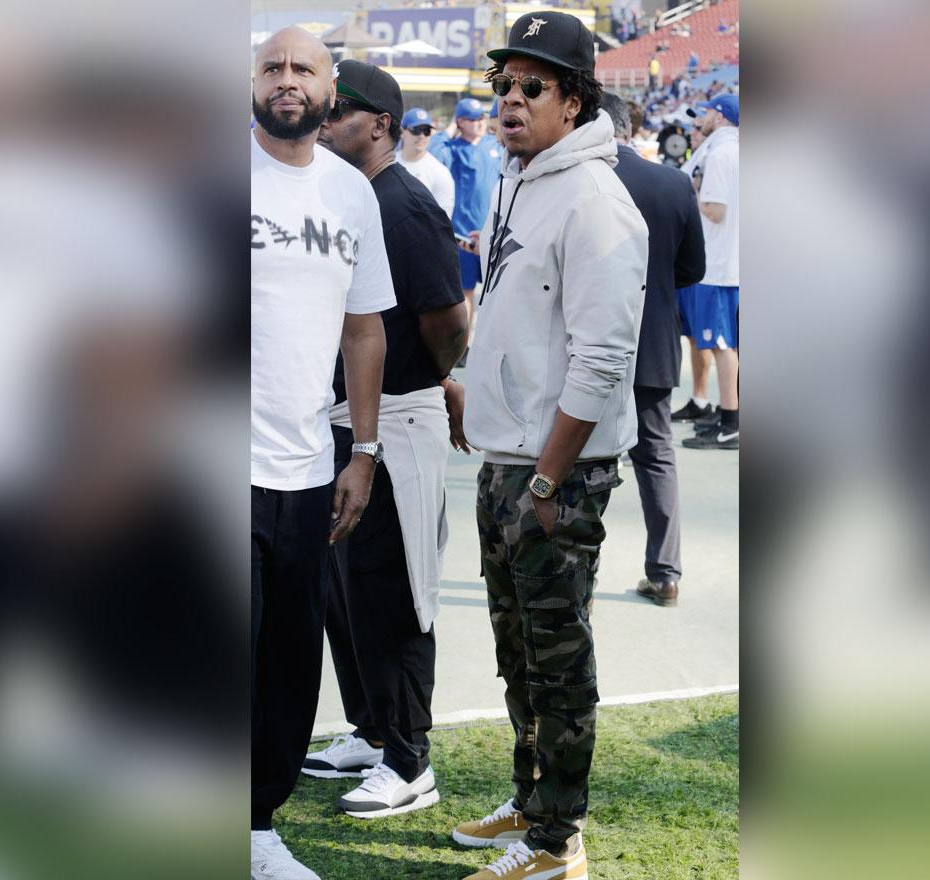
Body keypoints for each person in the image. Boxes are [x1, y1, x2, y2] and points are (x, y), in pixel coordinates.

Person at [451, 13, 648, 880]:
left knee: (558, 656)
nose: (511, 101)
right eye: (503, 85)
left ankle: (559, 837)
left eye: (532, 87)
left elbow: (606, 355)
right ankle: (531, 801)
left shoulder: (597, 199)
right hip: (509, 460)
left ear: (574, 99)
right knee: (516, 650)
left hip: (556, 471)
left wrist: (546, 479)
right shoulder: (518, 176)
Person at [302, 59, 469, 820]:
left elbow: (448, 320)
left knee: (394, 593)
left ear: (380, 125)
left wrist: (427, 380)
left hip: (396, 421)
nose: (326, 119)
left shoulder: (403, 206)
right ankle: (372, 732)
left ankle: (410, 759)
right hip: (347, 422)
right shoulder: (350, 198)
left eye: (342, 111)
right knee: (347, 595)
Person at [250, 28, 393, 880]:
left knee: (288, 663)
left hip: (306, 470)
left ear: (329, 89)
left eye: (303, 69)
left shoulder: (350, 195)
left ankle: (256, 826)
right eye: (273, 67)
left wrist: (363, 451)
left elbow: (365, 328)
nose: (287, 80)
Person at [601, 93, 705, 607]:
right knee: (656, 456)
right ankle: (665, 574)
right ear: (631, 125)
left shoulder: (578, 180)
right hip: (653, 340)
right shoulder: (672, 181)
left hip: (588, 342)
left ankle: (578, 576)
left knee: (577, 456)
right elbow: (693, 269)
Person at [682, 93, 740, 450]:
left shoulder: (720, 153)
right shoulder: (734, 149)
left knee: (721, 345)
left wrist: (693, 191)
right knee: (726, 344)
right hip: (730, 260)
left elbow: (715, 210)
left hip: (717, 263)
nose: (700, 118)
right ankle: (726, 413)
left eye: (705, 112)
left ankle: (731, 419)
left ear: (718, 117)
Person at [431, 96, 503, 340]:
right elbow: (433, 153)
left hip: (493, 233)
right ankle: (465, 344)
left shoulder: (495, 145)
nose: (480, 122)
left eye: (481, 117)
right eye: (473, 119)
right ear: (461, 122)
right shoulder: (452, 149)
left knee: (497, 292)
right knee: (466, 292)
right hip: (463, 233)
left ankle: (493, 339)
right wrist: (451, 128)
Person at [395, 106, 455, 219]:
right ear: (402, 132)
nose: (421, 136)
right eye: (416, 130)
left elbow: (443, 220)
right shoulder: (389, 163)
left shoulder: (440, 172)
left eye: (426, 131)